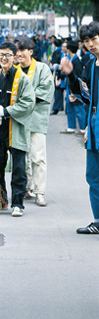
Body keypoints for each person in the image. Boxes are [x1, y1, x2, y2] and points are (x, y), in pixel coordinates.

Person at [0, 41, 35, 217]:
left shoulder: (22, 79)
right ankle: (1, 199)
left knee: (19, 168)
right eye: (1, 54)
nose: (3, 58)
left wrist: (5, 111)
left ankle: (18, 203)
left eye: (7, 55)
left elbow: (28, 103)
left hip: (16, 130)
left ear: (14, 57)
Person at [61, 22, 99, 234]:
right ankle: (98, 220)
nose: (91, 45)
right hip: (93, 127)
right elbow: (84, 94)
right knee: (93, 176)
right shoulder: (91, 64)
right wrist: (70, 74)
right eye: (87, 42)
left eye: (94, 39)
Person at [15, 36, 54, 207]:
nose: (19, 54)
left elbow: (45, 91)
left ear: (31, 51)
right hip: (18, 120)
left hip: (36, 119)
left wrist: (23, 99)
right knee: (21, 158)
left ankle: (39, 192)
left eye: (23, 50)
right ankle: (27, 188)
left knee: (38, 156)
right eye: (17, 51)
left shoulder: (42, 69)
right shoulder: (14, 70)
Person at [62, 39, 87, 135]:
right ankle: (71, 127)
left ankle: (82, 128)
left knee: (78, 108)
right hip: (70, 88)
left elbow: (78, 76)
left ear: (68, 50)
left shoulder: (76, 61)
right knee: (70, 107)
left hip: (75, 89)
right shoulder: (72, 59)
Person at [50, 39, 66, 114]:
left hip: (67, 76)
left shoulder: (69, 55)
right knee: (58, 92)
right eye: (63, 46)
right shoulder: (58, 53)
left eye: (65, 47)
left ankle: (66, 110)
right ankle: (57, 108)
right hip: (59, 76)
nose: (64, 48)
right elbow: (54, 64)